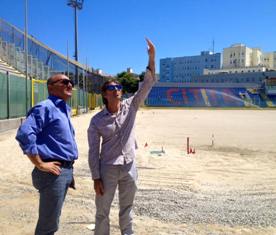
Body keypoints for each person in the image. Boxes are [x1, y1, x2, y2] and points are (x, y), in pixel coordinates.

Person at [87, 38, 156, 235]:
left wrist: (152, 57)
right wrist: (95, 178)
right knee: (102, 211)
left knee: (127, 209)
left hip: (129, 166)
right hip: (107, 168)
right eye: (111, 88)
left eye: (118, 88)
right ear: (104, 94)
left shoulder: (131, 106)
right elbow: (93, 151)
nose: (116, 90)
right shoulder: (97, 121)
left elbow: (148, 83)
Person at [16, 74, 78, 235]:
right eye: (64, 82)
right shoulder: (46, 107)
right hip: (52, 172)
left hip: (62, 170)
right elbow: (24, 133)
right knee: (48, 225)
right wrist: (39, 163)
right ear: (50, 87)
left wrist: (68, 169)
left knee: (52, 219)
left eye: (71, 82)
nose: (70, 84)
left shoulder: (63, 109)